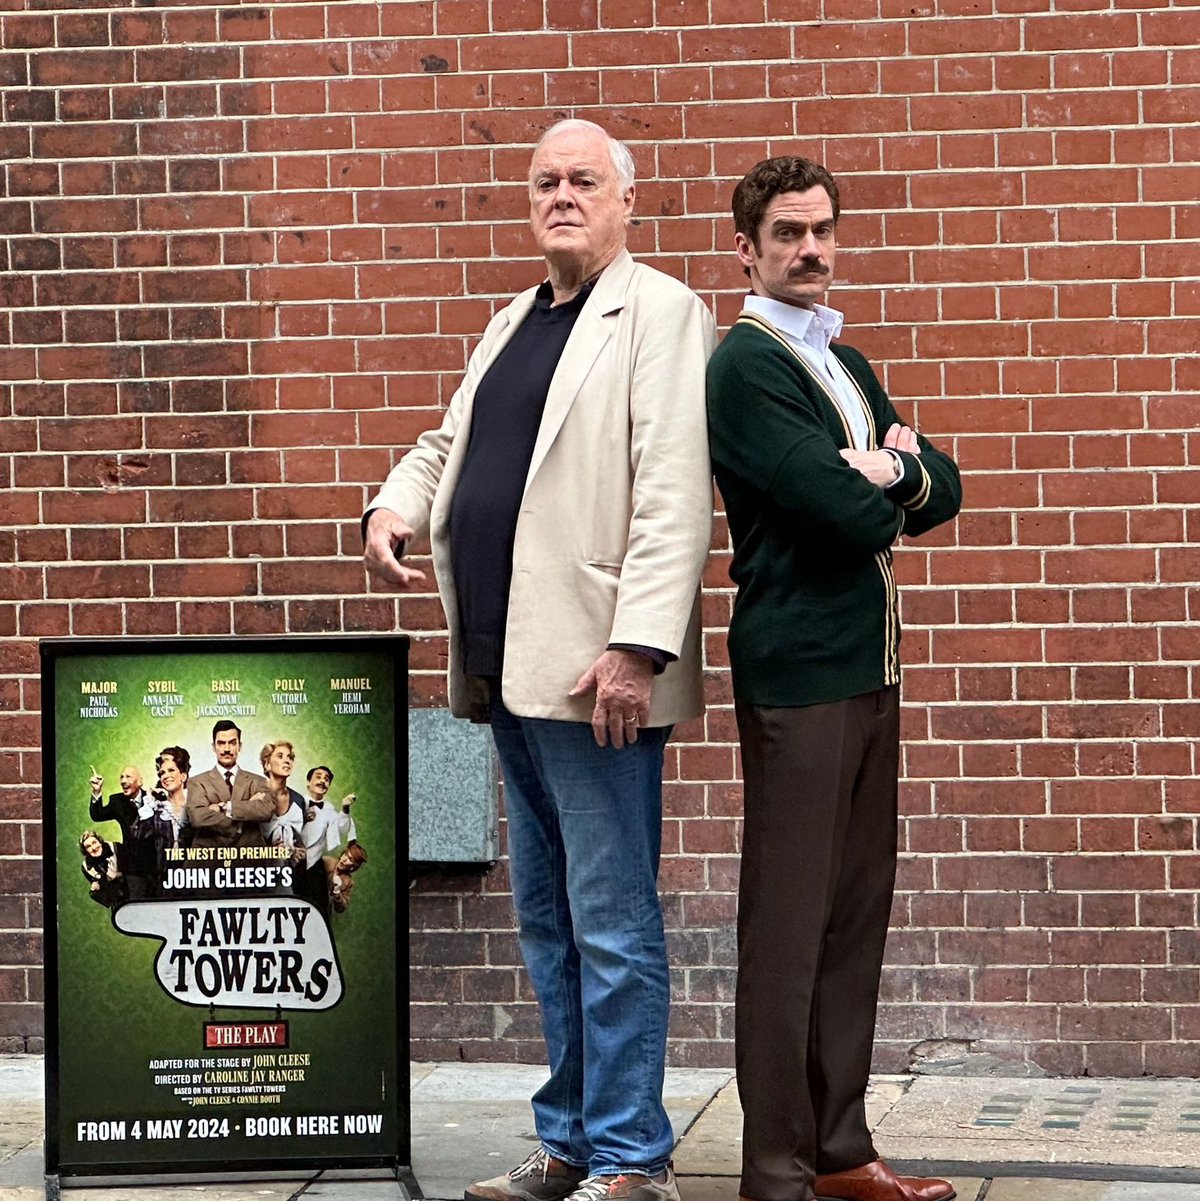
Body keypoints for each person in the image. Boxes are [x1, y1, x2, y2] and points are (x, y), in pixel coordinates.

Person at [363, 119, 714, 1201]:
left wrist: (638, 646)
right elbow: (448, 443)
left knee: (611, 921)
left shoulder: (661, 312)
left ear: (626, 201)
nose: (562, 195)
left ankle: (632, 1155)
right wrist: (394, 502)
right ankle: (567, 1140)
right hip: (506, 665)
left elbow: (674, 490)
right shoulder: (513, 320)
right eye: (545, 181)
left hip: (595, 673)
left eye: (583, 180)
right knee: (549, 918)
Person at [706, 157, 962, 1201]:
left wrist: (894, 467)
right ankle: (775, 1169)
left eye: (821, 230)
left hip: (871, 669)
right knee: (788, 925)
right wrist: (887, 480)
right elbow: (843, 513)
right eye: (787, 233)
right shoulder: (745, 367)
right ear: (748, 249)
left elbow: (944, 487)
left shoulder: (844, 361)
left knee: (854, 915)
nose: (809, 249)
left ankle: (842, 1148)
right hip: (798, 677)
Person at [185, 720, 273, 849]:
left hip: (249, 856)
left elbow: (265, 810)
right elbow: (197, 817)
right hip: (210, 857)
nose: (226, 749)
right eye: (221, 743)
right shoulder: (197, 782)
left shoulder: (259, 781)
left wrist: (224, 808)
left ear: (239, 746)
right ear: (214, 747)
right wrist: (245, 810)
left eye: (232, 743)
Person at [87, 764, 159, 899]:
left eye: (128, 777)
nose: (123, 781)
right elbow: (97, 815)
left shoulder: (154, 799)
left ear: (140, 781)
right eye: (121, 777)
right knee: (137, 901)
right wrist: (97, 791)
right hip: (132, 866)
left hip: (157, 863)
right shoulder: (117, 801)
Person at [297, 765, 356, 916]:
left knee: (317, 908)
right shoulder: (296, 802)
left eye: (326, 779)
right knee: (291, 905)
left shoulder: (329, 809)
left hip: (314, 865)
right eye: (318, 777)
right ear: (308, 782)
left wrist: (345, 808)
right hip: (293, 863)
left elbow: (342, 828)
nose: (322, 781)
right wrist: (302, 819)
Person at [258, 740, 306, 854]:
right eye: (280, 756)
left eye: (290, 757)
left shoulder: (298, 800)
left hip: (292, 864)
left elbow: (301, 842)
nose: (287, 761)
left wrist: (296, 851)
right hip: (261, 863)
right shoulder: (257, 796)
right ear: (267, 765)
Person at [78, 829, 126, 909]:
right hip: (117, 903)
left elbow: (136, 870)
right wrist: (95, 890)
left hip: (134, 892)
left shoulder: (116, 848)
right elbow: (106, 896)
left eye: (94, 842)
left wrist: (117, 875)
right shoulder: (87, 868)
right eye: (88, 846)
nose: (93, 848)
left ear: (100, 842)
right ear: (85, 851)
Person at [322, 839, 367, 914]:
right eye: (345, 854)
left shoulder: (348, 882)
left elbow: (341, 908)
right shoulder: (326, 862)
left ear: (353, 867)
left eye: (350, 859)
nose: (344, 859)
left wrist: (337, 892)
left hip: (322, 909)